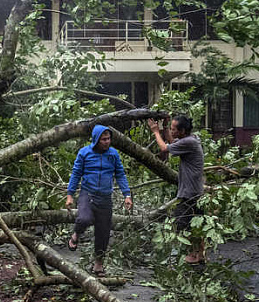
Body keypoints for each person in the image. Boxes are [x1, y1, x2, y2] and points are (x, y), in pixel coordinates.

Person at [66, 125, 133, 276]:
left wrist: (126, 195)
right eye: (103, 139)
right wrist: (70, 194)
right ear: (96, 139)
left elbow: (120, 174)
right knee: (84, 219)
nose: (106, 142)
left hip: (105, 198)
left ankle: (98, 265)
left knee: (103, 233)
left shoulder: (113, 154)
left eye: (108, 139)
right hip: (87, 194)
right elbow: (76, 173)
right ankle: (76, 234)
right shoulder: (84, 153)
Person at [147, 115, 205, 264]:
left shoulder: (189, 142)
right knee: (197, 223)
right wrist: (165, 128)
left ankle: (193, 254)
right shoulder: (190, 140)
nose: (171, 131)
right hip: (195, 190)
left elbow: (165, 148)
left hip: (189, 192)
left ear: (182, 131)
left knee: (183, 224)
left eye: (174, 129)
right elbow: (173, 143)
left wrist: (155, 132)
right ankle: (201, 255)